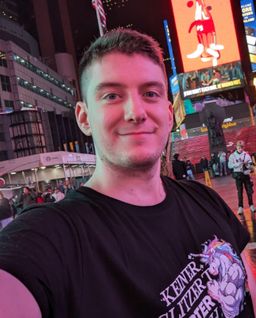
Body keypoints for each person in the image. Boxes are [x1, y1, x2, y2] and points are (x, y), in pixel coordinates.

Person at [0, 29, 255, 318]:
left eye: (150, 93)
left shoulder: (205, 199)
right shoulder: (53, 238)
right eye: (112, 95)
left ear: (169, 114)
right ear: (84, 117)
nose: (136, 112)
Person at [228, 140, 255, 215]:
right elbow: (229, 166)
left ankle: (251, 205)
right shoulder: (232, 156)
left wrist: (249, 166)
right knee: (240, 192)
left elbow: (250, 164)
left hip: (246, 174)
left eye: (242, 147)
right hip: (238, 175)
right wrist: (238, 164)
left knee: (249, 191)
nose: (240, 148)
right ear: (236, 147)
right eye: (239, 147)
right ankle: (240, 207)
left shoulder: (246, 154)